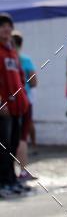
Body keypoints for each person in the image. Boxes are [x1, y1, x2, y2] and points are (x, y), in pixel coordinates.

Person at [0, 13, 30, 197]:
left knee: (12, 146)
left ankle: (12, 180)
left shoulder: (12, 51)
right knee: (3, 148)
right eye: (2, 26)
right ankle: (3, 183)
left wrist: (24, 100)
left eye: (8, 26)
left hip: (17, 107)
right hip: (3, 109)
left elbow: (19, 78)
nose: (6, 29)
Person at [11, 31, 37, 181]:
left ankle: (11, 172)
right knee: (22, 136)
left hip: (8, 101)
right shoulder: (25, 60)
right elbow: (34, 81)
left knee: (10, 137)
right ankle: (23, 170)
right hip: (23, 100)